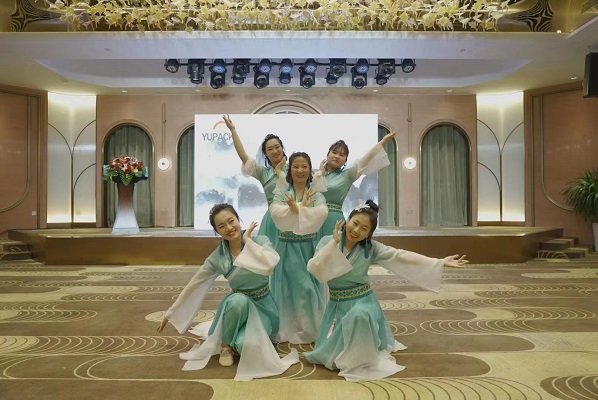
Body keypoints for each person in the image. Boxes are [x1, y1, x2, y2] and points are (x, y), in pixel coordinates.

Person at [305, 200, 468, 381]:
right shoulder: (327, 241)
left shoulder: (371, 248)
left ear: (369, 234)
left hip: (362, 302)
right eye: (355, 223)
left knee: (359, 316)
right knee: (329, 355)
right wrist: (333, 244)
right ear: (347, 220)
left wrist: (438, 262)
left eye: (364, 229)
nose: (356, 230)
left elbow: (400, 255)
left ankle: (359, 359)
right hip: (337, 305)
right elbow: (314, 268)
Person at [157, 203, 298, 381]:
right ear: (217, 231)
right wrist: (171, 312)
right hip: (237, 307)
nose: (229, 228)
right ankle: (225, 345)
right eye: (222, 226)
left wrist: (248, 241)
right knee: (238, 300)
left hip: (264, 307)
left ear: (238, 219)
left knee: (246, 345)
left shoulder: (260, 241)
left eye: (231, 221)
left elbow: (271, 263)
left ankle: (236, 339)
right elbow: (196, 283)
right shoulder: (219, 257)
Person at [269, 151, 329, 344]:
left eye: (304, 166)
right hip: (287, 247)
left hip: (308, 247)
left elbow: (322, 212)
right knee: (289, 289)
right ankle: (288, 326)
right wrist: (298, 209)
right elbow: (275, 212)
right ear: (290, 170)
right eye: (295, 166)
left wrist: (298, 210)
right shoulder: (282, 192)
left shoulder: (315, 193)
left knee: (308, 289)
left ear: (310, 170)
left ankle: (309, 327)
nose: (300, 170)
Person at [315, 132, 396, 240]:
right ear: (327, 154)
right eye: (334, 152)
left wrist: (383, 141)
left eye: (342, 155)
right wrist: (320, 173)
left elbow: (366, 159)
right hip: (312, 217)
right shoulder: (314, 173)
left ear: (345, 160)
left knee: (332, 247)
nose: (337, 156)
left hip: (332, 219)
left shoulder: (347, 174)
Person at [223, 114, 287, 247]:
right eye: (270, 149)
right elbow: (243, 157)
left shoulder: (294, 168)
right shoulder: (263, 173)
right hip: (272, 221)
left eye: (277, 147)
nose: (275, 151)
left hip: (293, 217)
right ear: (266, 154)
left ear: (282, 148)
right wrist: (233, 130)